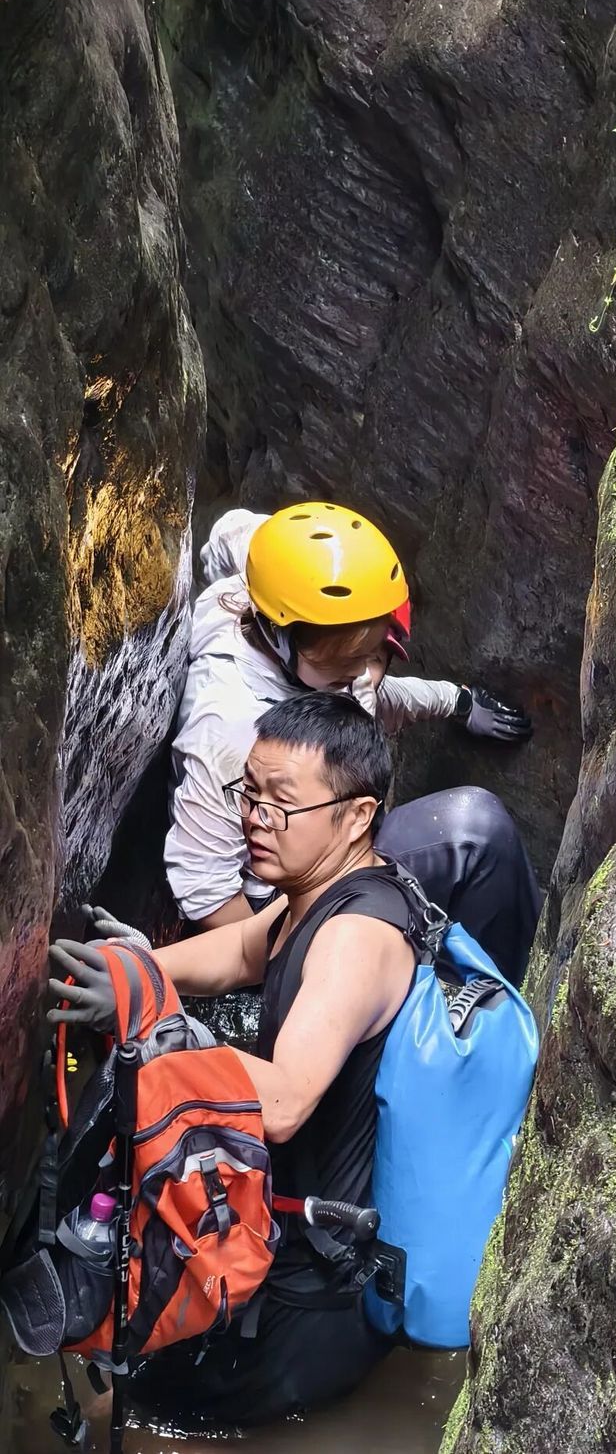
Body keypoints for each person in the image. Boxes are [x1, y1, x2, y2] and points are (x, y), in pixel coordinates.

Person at [49, 694, 529, 1426]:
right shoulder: (320, 891)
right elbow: (249, 948)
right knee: (133, 1393)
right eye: (250, 793)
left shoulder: (356, 939)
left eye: (282, 803)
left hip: (313, 1296)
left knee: (140, 1421)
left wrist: (152, 1013)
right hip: (284, 1248)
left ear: (357, 816)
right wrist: (141, 968)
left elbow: (281, 1103)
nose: (256, 819)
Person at [167, 503, 533, 932]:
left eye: (372, 654)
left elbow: (227, 531)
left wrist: (458, 701)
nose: (363, 671)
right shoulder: (234, 729)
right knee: (477, 831)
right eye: (349, 660)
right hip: (280, 891)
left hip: (310, 837)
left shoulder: (271, 572)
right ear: (284, 638)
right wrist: (283, 951)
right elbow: (203, 883)